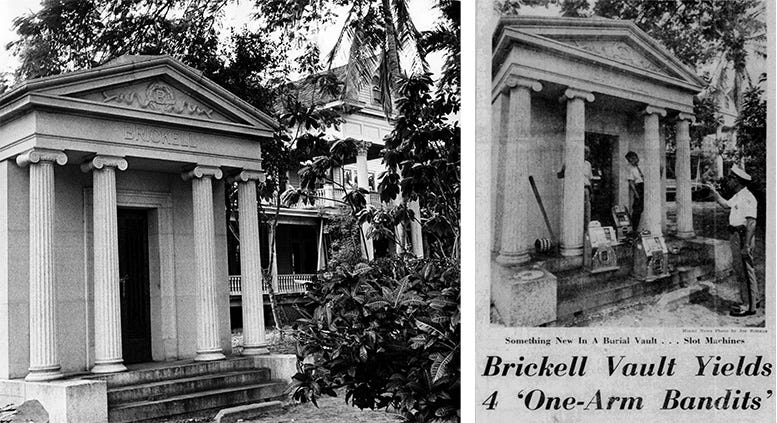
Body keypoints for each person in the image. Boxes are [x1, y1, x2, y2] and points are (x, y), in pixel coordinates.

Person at [709, 166, 759, 317]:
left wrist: (746, 245)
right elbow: (725, 205)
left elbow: (751, 223)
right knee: (744, 269)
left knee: (744, 272)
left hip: (743, 236)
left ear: (737, 181)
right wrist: (715, 193)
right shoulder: (738, 196)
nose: (728, 181)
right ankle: (753, 299)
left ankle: (748, 307)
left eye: (730, 178)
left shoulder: (748, 197)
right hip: (736, 235)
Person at [557, 146, 593, 230]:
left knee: (586, 212)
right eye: (584, 152)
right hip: (574, 190)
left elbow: (589, 179)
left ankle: (586, 233)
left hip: (585, 189)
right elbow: (559, 175)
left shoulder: (587, 164)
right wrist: (566, 170)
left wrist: (591, 192)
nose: (586, 155)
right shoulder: (569, 162)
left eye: (587, 153)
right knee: (574, 212)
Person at [625, 151, 644, 231]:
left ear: (636, 157)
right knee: (637, 209)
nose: (631, 161)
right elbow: (631, 183)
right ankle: (634, 229)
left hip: (646, 186)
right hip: (639, 187)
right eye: (629, 160)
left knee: (643, 208)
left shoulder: (643, 165)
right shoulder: (631, 169)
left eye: (633, 159)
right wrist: (636, 193)